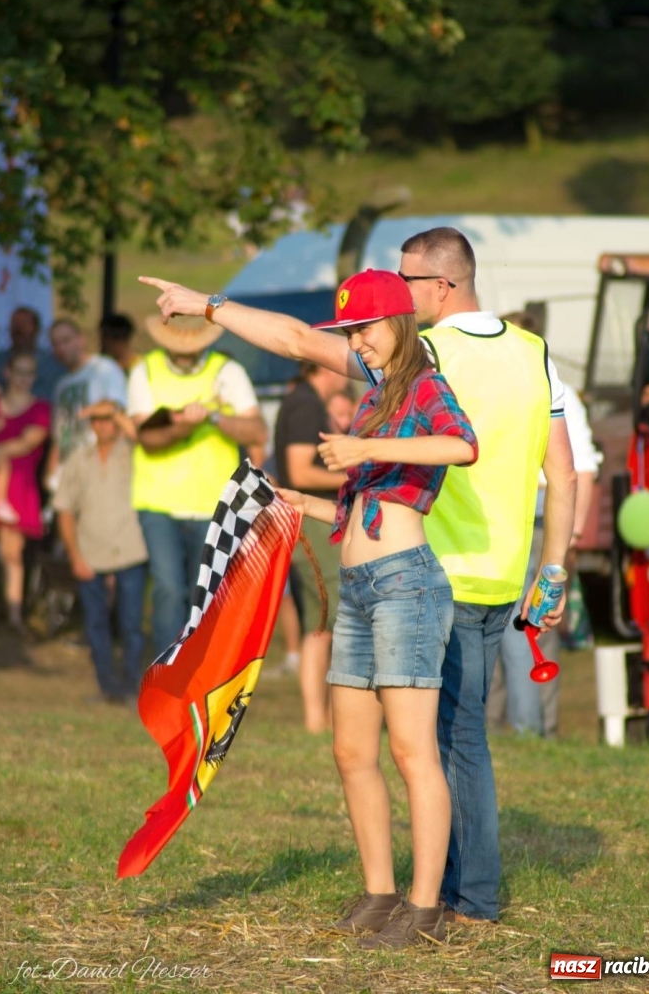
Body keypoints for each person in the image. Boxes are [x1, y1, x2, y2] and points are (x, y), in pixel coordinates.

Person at [139, 227, 577, 924]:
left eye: (400, 288)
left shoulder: (423, 363)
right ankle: (414, 893)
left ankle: (450, 901)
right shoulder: (523, 355)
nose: (367, 328)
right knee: (400, 744)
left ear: (435, 290)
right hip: (444, 578)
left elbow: (452, 438)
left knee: (432, 746)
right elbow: (561, 467)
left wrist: (212, 306)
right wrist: (551, 567)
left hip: (424, 573)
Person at [277, 269, 478, 946]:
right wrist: (291, 501)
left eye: (364, 327)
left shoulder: (424, 384)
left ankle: (425, 909)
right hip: (360, 590)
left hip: (406, 585)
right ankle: (379, 892)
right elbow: (353, 507)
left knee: (409, 750)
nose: (357, 341)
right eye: (349, 332)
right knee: (350, 750)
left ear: (399, 322)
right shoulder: (372, 399)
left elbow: (462, 444)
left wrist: (366, 447)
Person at [486, 311, 601, 738]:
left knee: (526, 623)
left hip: (534, 509)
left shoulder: (552, 389)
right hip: (508, 508)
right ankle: (503, 725)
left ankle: (530, 728)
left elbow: (578, 471)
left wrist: (568, 536)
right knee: (500, 621)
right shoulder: (527, 386)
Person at [128, 314, 267, 658]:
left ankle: (198, 676)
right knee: (169, 591)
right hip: (157, 501)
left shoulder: (227, 371)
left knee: (203, 597)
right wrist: (183, 427)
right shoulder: (145, 370)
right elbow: (147, 439)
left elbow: (257, 432)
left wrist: (215, 417)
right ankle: (166, 672)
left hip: (213, 504)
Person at [53, 401, 148, 703]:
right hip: (90, 552)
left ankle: (132, 685)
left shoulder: (135, 453)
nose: (102, 425)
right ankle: (107, 686)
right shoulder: (78, 459)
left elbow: (142, 438)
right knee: (96, 625)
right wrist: (75, 555)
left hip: (131, 550)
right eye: (96, 419)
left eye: (108, 419)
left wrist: (119, 415)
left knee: (131, 624)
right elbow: (65, 510)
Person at [274, 362, 351, 732]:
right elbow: (301, 472)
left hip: (312, 523)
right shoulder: (306, 404)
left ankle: (324, 719)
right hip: (314, 524)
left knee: (321, 623)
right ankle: (319, 720)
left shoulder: (300, 401)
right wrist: (355, 478)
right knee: (329, 622)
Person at [0, 351, 51, 631]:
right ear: (7, 372)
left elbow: (28, 443)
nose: (22, 378)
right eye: (18, 371)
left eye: (28, 372)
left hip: (18, 488)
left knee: (12, 554)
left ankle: (14, 615)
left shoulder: (40, 409)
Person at [48, 319, 128, 478]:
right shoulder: (61, 385)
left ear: (81, 338)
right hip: (66, 470)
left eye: (66, 340)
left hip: (98, 468)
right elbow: (59, 434)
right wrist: (51, 473)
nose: (61, 348)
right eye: (55, 344)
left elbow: (119, 414)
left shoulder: (104, 368)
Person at [0, 306, 66, 404]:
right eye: (15, 324)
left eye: (24, 324)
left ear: (36, 329)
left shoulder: (53, 364)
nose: (18, 329)